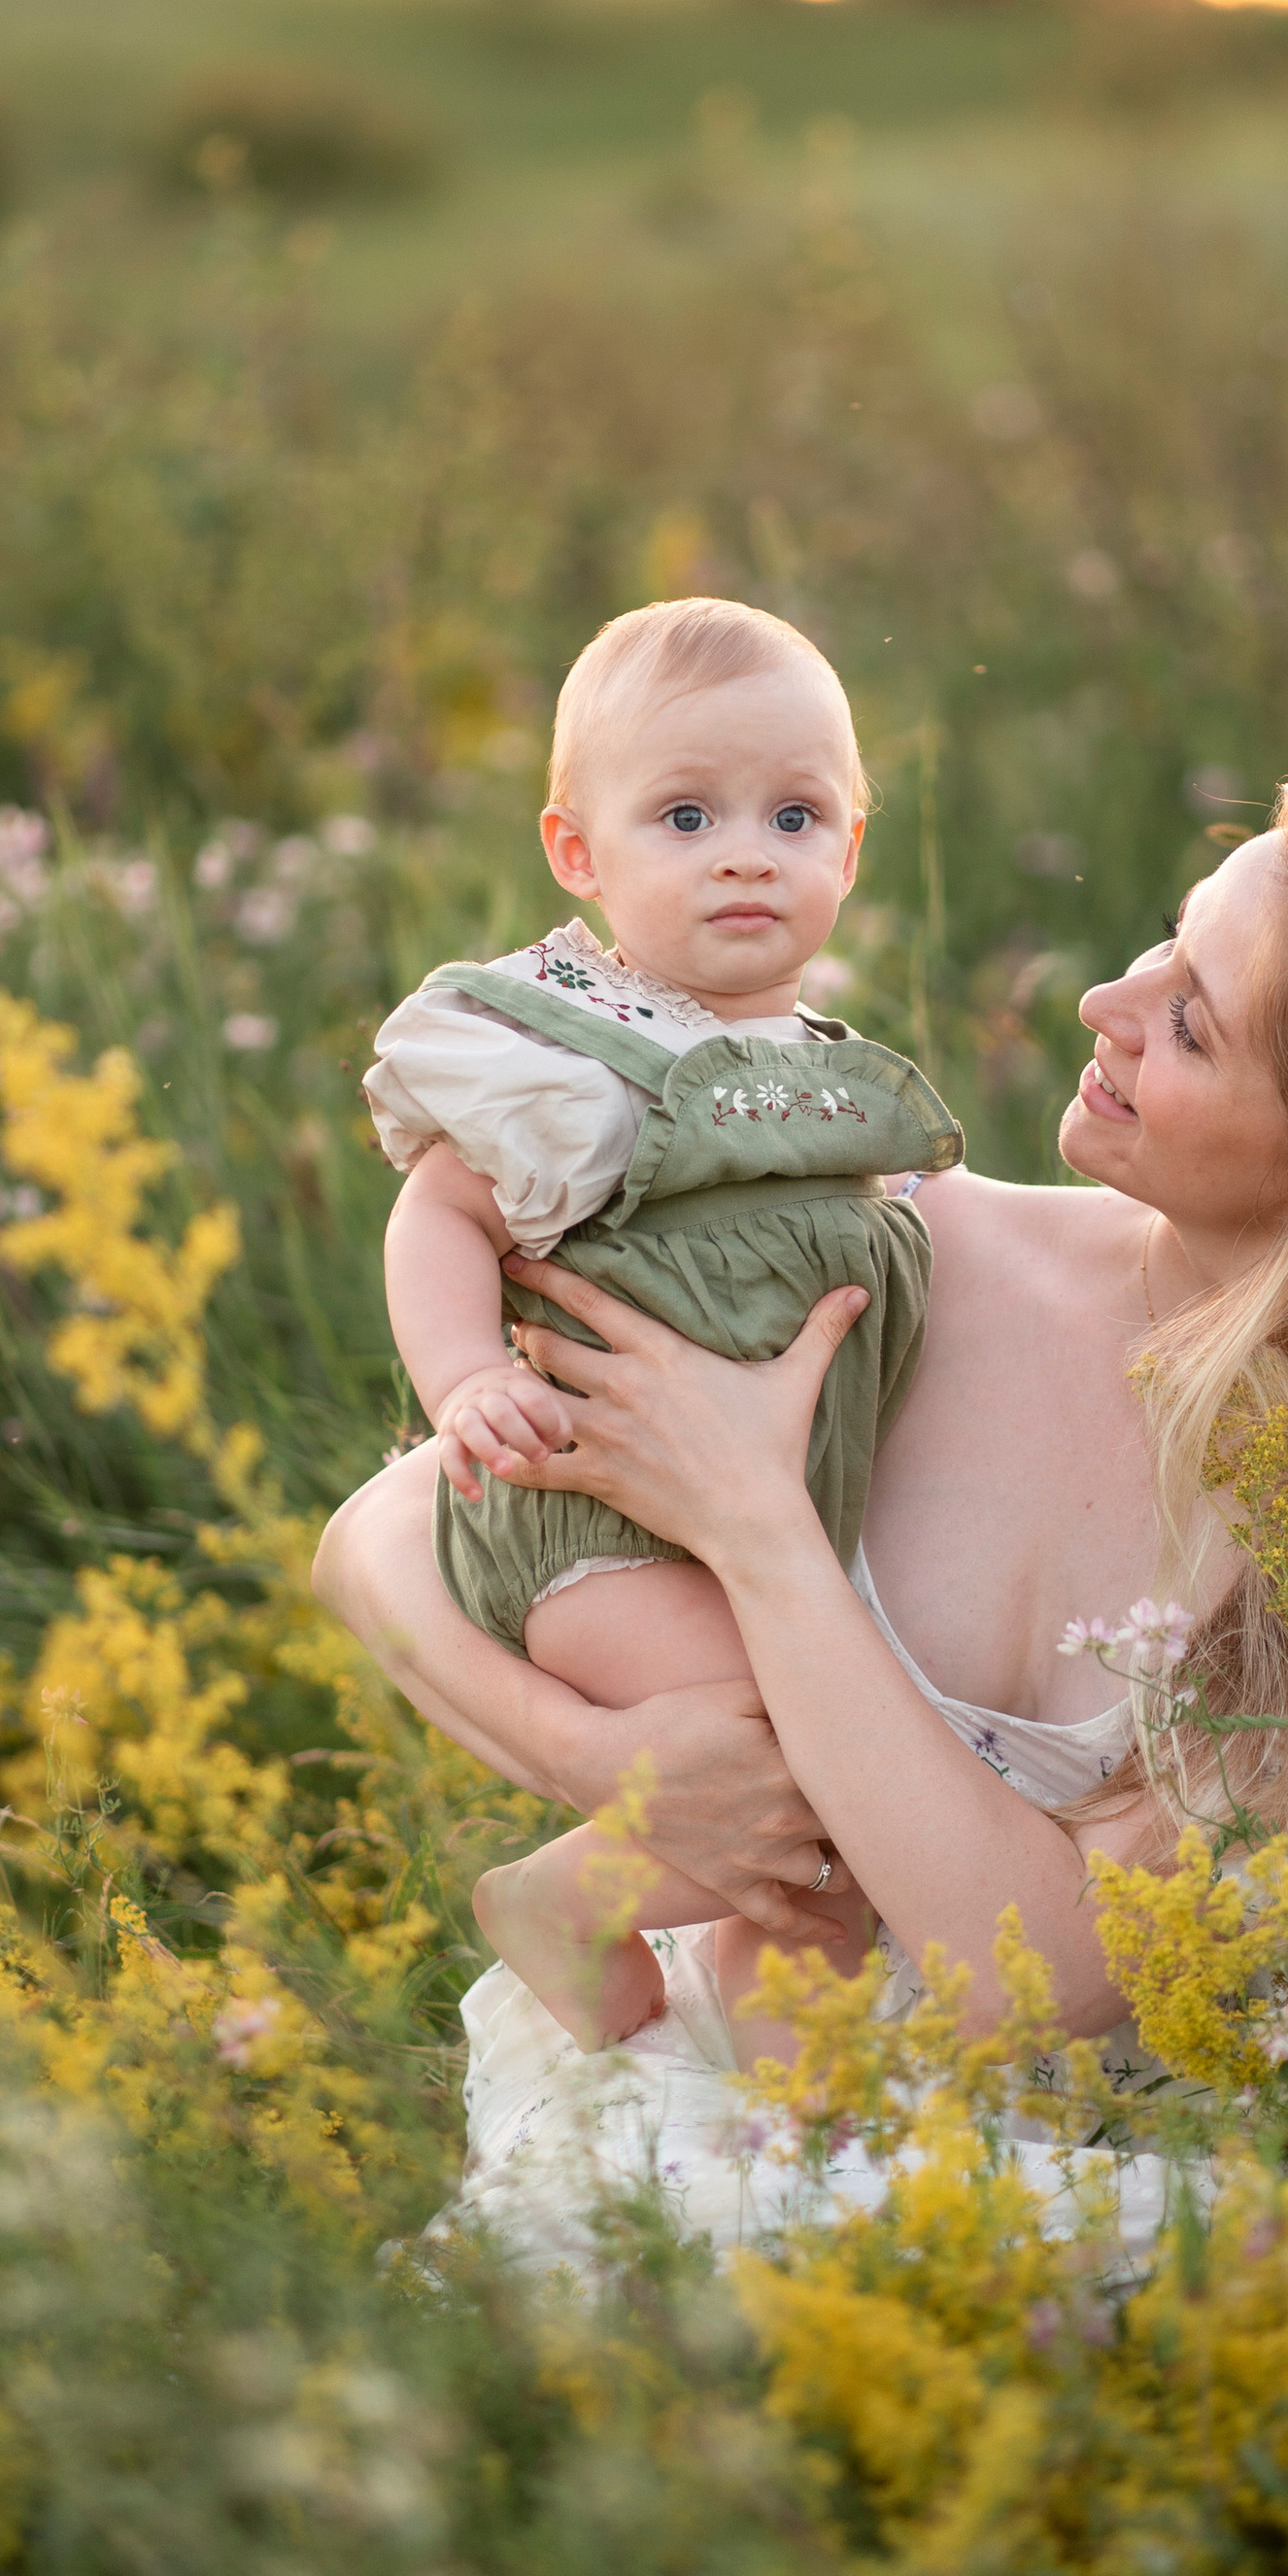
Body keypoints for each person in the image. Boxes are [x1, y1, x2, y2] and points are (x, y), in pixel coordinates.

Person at [315, 748, 1288, 2259]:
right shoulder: (881, 1248)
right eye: (1167, 938)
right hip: (718, 2087)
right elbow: (383, 1540)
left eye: (1192, 1022)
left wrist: (761, 1533)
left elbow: (1034, 1972)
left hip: (1119, 2177)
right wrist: (594, 1758)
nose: (1105, 1003)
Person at [361, 598, 961, 2067]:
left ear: (850, 850)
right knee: (808, 1756)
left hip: (751, 1526)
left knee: (832, 1846)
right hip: (599, 1520)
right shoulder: (579, 1057)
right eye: (686, 817)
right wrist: (466, 1378)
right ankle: (559, 1899)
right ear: (579, 854)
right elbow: (441, 1215)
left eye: (794, 817)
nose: (746, 853)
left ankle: (778, 2085)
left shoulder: (828, 1082)